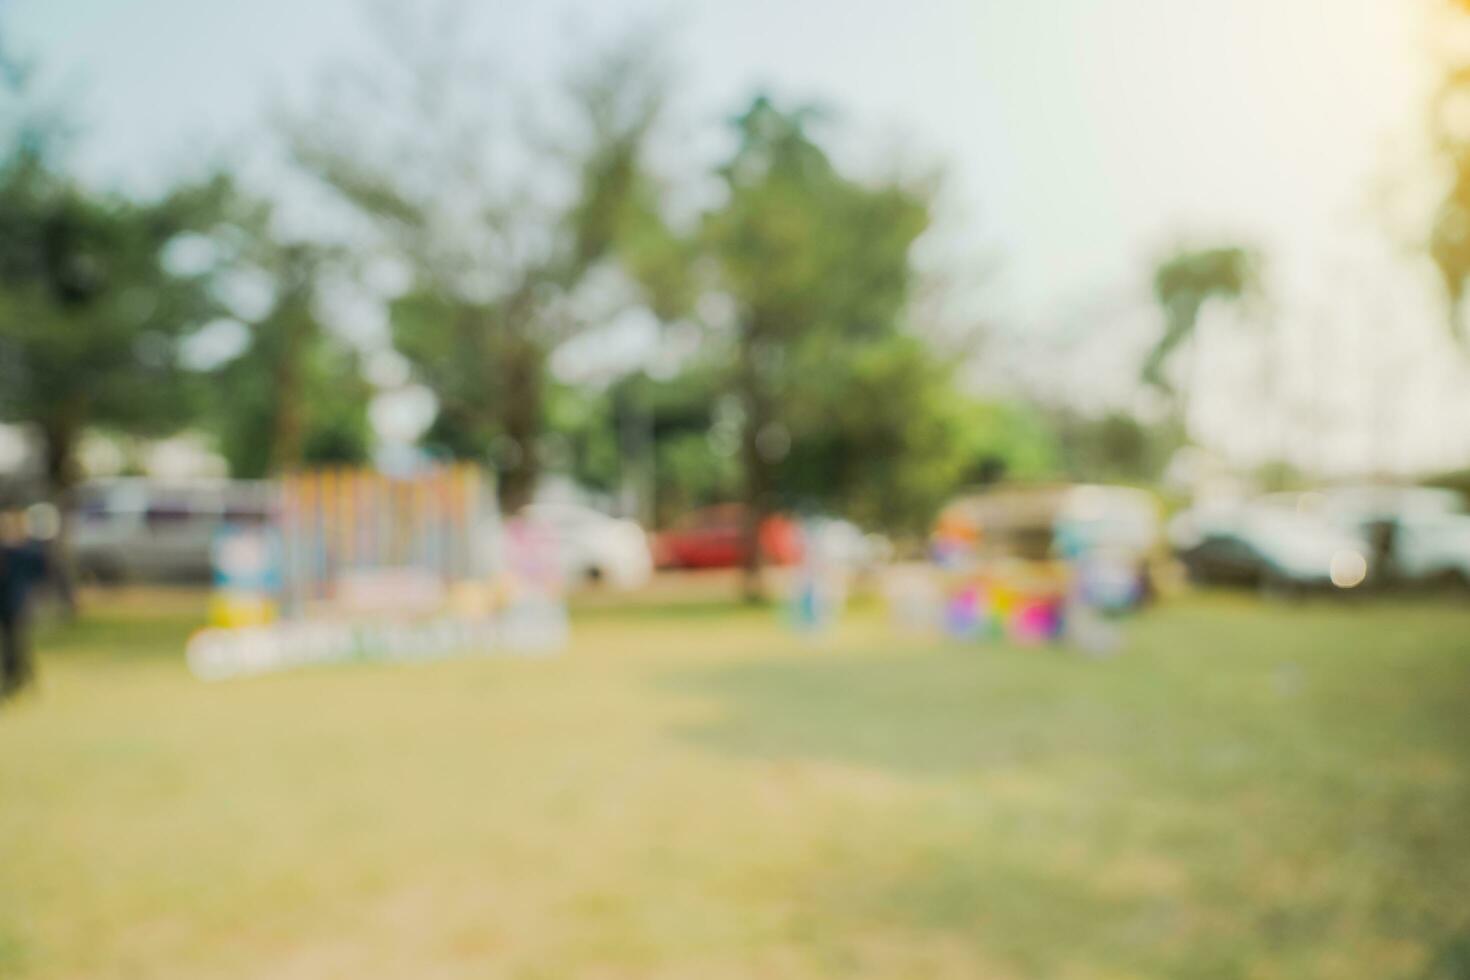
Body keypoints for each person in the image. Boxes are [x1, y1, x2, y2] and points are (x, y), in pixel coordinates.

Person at [0, 508, 48, 699]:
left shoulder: (25, 550)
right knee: (9, 645)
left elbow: (39, 570)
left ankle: (20, 678)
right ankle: (15, 677)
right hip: (4, 603)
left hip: (17, 603)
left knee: (17, 644)